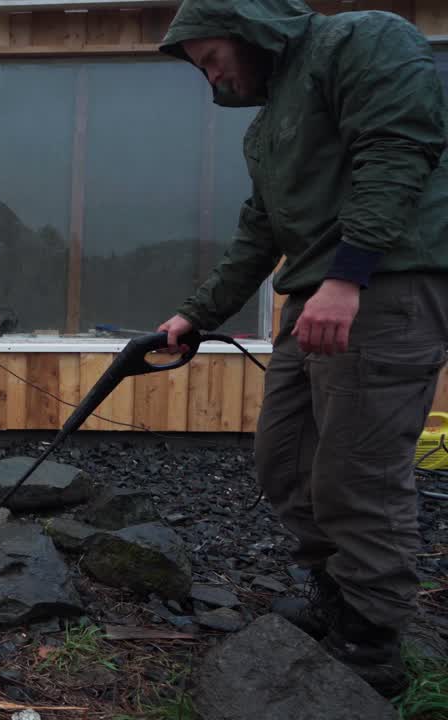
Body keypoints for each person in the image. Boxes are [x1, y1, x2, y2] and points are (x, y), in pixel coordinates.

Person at [156, 0, 448, 697]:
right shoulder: (266, 129)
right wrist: (195, 315)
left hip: (384, 282)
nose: (213, 80)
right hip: (315, 296)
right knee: (284, 458)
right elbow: (260, 233)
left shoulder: (363, 40)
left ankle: (371, 647)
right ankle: (335, 599)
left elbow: (397, 149)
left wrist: (350, 276)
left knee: (359, 473)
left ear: (246, 24)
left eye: (212, 60)